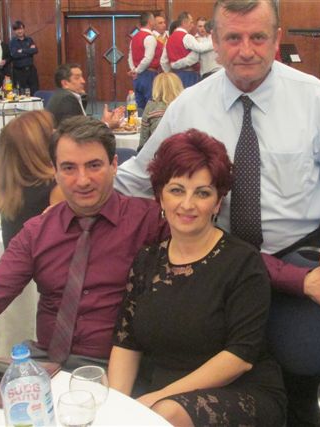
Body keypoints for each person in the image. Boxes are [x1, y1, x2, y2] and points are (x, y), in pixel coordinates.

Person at [115, 1, 320, 424]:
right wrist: (76, 193)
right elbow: (142, 176)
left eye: (258, 37)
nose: (246, 50)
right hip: (216, 264)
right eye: (233, 38)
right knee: (214, 374)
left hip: (297, 258)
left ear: (277, 39)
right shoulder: (189, 105)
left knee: (303, 388)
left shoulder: (315, 100)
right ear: (214, 43)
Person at [0, 116, 167, 371]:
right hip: (46, 363)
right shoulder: (38, 232)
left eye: (94, 165)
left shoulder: (148, 221)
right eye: (69, 168)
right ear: (54, 171)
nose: (82, 180)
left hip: (120, 366)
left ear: (114, 165)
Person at [109, 129, 286, 426]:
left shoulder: (243, 262)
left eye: (202, 193)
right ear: (160, 197)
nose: (187, 204)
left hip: (239, 390)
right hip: (162, 393)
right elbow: (127, 343)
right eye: (177, 190)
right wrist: (115, 406)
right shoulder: (147, 260)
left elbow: (240, 357)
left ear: (217, 203)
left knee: (165, 414)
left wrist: (157, 398)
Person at [0, 110, 61, 248]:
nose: (57, 133)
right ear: (42, 147)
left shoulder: (10, 190)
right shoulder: (57, 189)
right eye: (51, 132)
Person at [46, 63, 124, 128]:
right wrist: (107, 125)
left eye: (82, 77)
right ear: (65, 83)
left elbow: (82, 125)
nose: (83, 81)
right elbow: (79, 133)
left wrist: (104, 121)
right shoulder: (67, 99)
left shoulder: (62, 95)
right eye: (77, 78)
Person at [160, 11, 213, 88]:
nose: (193, 25)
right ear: (184, 23)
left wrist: (170, 73)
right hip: (189, 76)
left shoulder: (168, 39)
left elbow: (163, 61)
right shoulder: (187, 37)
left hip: (175, 77)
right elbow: (199, 49)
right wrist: (215, 42)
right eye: (191, 22)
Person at [138, 72, 183, 151]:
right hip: (183, 153)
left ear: (156, 88)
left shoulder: (151, 107)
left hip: (157, 154)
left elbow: (143, 142)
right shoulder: (185, 106)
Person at [127, 12, 163, 111]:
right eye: (153, 20)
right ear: (150, 22)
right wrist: (137, 70)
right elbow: (148, 58)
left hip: (137, 77)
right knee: (151, 105)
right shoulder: (150, 37)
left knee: (139, 106)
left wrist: (133, 70)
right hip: (148, 75)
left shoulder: (134, 38)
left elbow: (130, 56)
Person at [9, 20, 39, 94]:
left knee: (34, 91)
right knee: (21, 92)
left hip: (31, 70)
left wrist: (22, 50)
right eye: (17, 29)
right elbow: (14, 55)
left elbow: (35, 50)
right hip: (19, 72)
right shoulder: (12, 42)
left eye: (21, 29)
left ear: (24, 29)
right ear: (14, 31)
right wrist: (29, 51)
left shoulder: (29, 39)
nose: (20, 31)